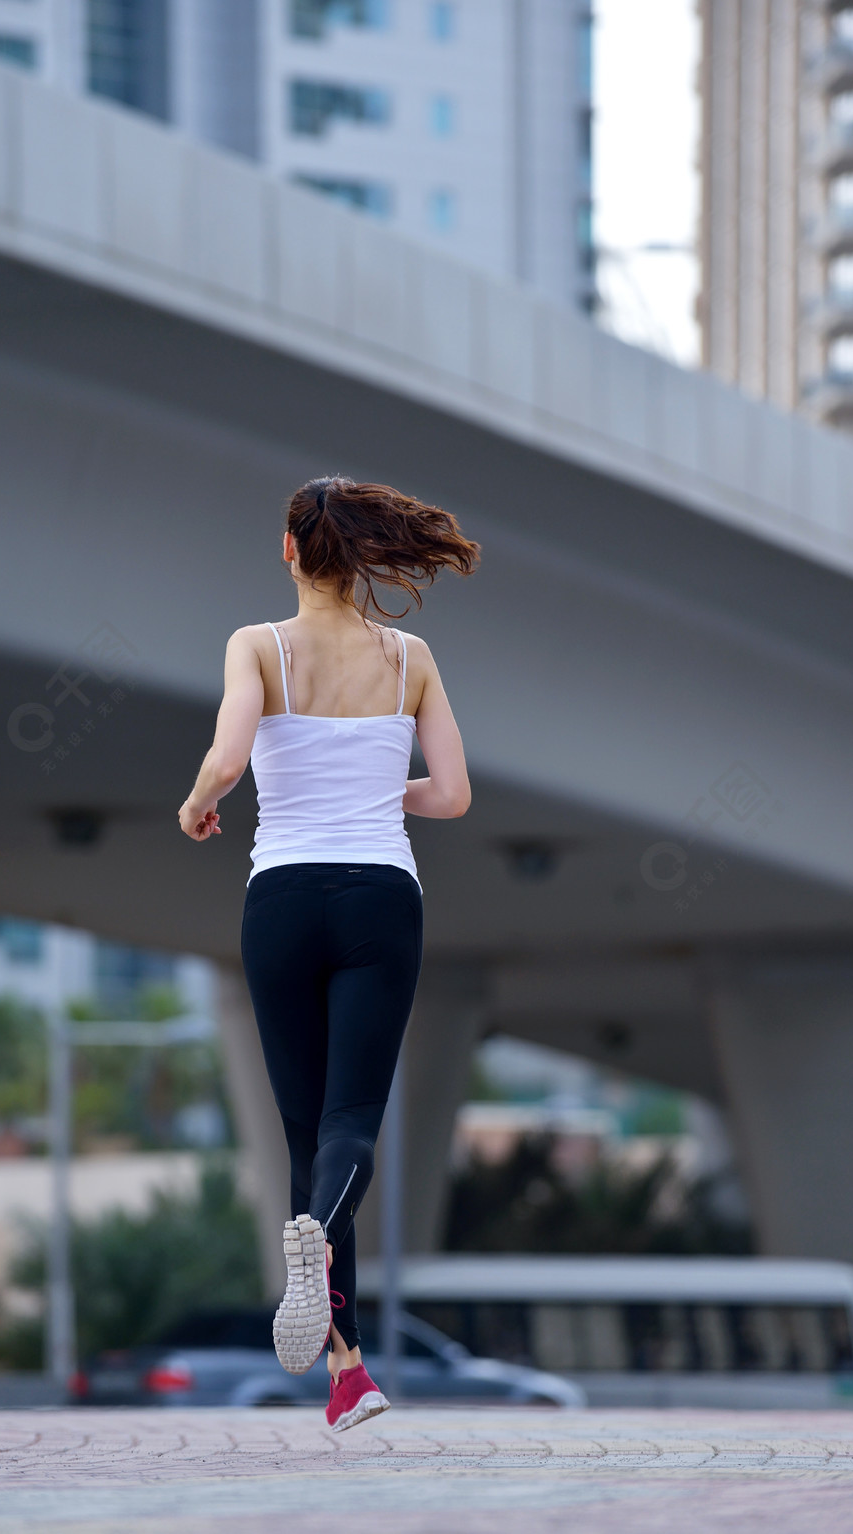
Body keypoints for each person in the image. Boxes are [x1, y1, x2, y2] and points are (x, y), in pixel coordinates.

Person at [178, 475, 479, 1432]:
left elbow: (229, 756)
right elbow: (454, 794)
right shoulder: (411, 659)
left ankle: (346, 1370)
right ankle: (340, 1336)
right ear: (364, 556)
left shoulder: (256, 645)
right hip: (382, 901)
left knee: (305, 1129)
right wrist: (381, 791)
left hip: (283, 899)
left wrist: (196, 803)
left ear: (290, 551)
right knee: (352, 1122)